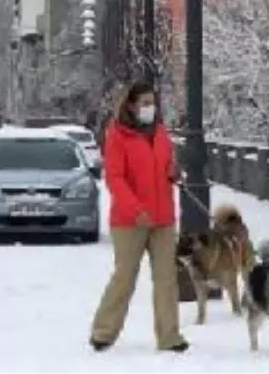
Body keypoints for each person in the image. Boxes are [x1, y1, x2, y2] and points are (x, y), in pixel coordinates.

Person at [89, 82, 188, 353]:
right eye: (144, 103)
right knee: (125, 277)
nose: (150, 107)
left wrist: (173, 171)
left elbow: (167, 163)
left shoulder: (160, 131)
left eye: (152, 102)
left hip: (163, 218)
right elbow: (115, 179)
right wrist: (136, 210)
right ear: (131, 105)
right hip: (129, 221)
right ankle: (103, 331)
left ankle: (170, 337)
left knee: (167, 279)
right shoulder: (117, 135)